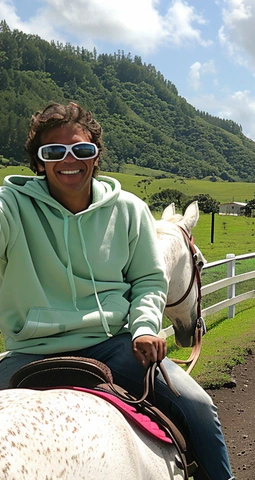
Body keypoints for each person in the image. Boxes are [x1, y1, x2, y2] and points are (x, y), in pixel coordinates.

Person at [0, 102, 234, 480]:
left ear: (96, 156)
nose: (69, 159)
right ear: (39, 161)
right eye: (54, 152)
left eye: (82, 150)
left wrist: (143, 328)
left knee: (198, 406)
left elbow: (147, 278)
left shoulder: (129, 209)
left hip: (110, 344)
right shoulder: (10, 206)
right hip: (30, 349)